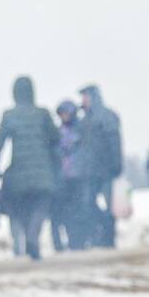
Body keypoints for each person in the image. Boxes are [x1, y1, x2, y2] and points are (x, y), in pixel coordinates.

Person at [0, 76, 59, 261]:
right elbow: (55, 139)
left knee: (23, 206)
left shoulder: (9, 116)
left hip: (18, 172)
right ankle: (32, 236)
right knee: (41, 204)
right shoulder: (43, 114)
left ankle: (28, 236)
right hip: (43, 171)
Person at [79, 84, 123, 248]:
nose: (82, 100)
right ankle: (103, 234)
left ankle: (108, 238)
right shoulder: (85, 119)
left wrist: (116, 164)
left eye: (84, 96)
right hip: (91, 171)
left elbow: (114, 141)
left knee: (107, 205)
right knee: (89, 204)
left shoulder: (106, 116)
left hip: (105, 170)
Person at [53, 100, 91, 250]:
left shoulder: (81, 129)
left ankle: (80, 240)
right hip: (64, 179)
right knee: (68, 212)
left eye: (66, 113)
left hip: (79, 177)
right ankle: (73, 240)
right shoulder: (58, 132)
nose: (64, 117)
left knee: (80, 210)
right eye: (61, 114)